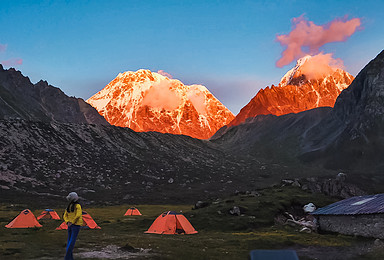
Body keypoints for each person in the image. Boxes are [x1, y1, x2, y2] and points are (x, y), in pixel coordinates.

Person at [63, 192, 83, 260]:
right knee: (72, 241)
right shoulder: (77, 206)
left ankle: (70, 258)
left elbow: (65, 215)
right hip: (76, 225)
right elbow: (78, 215)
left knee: (69, 240)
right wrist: (72, 222)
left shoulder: (68, 206)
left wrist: (67, 222)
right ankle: (67, 257)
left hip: (69, 225)